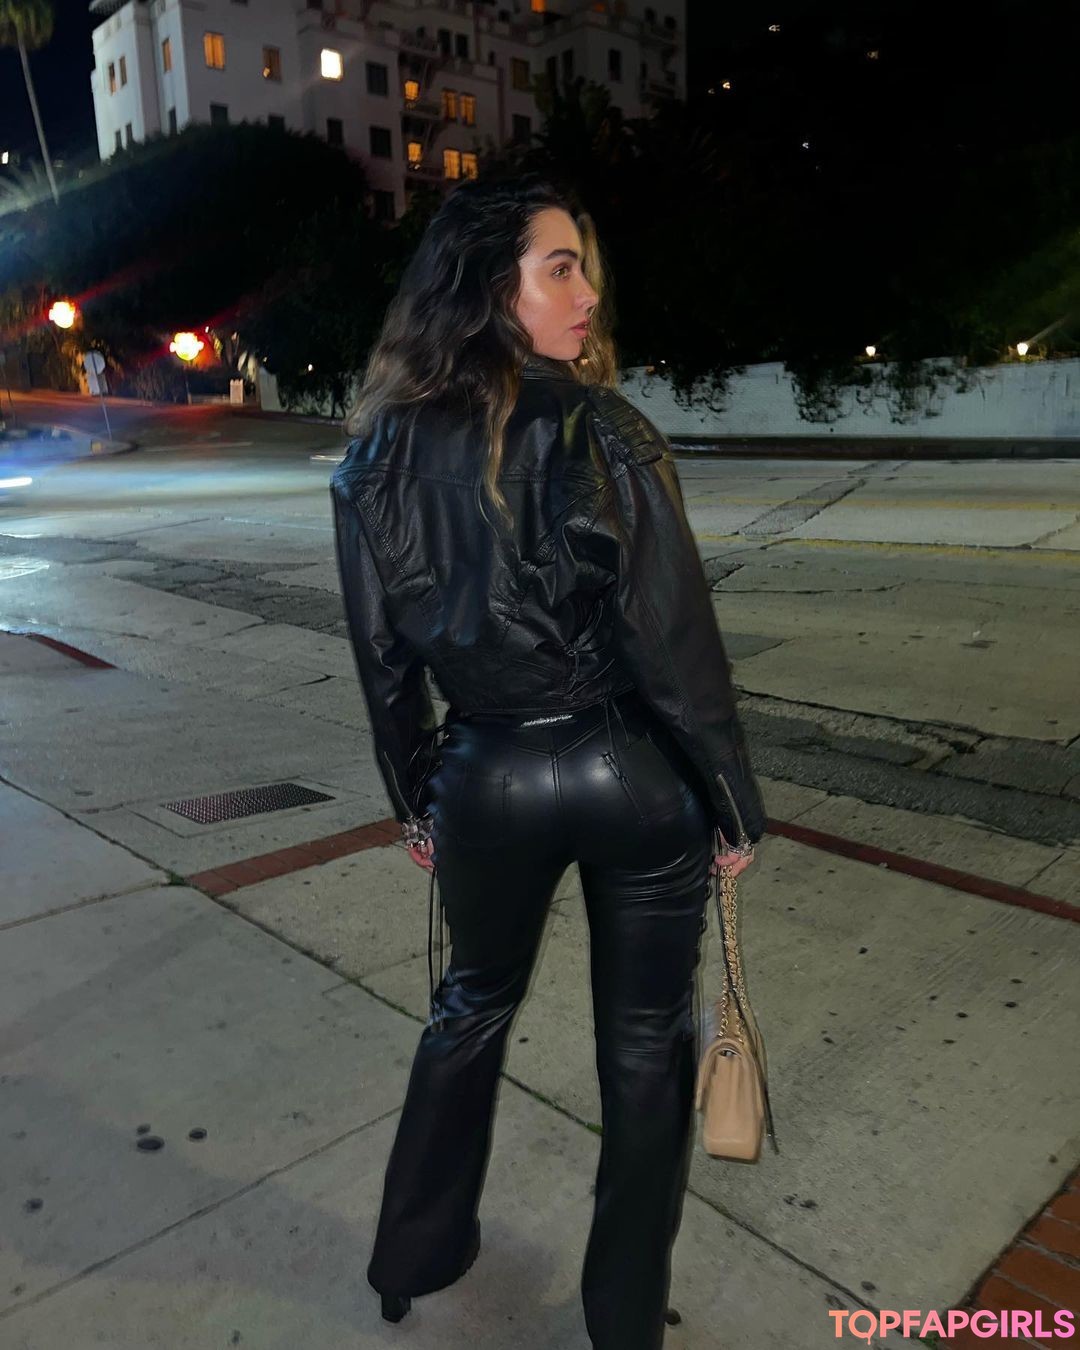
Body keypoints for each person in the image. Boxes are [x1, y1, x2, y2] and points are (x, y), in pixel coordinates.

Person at [330, 173, 767, 1350]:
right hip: (629, 771)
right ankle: (623, 1318)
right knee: (644, 1047)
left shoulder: (372, 458)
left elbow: (383, 664)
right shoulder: (603, 430)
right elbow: (673, 644)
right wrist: (731, 803)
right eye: (559, 268)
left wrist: (417, 796)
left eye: (586, 270)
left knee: (468, 1008)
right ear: (489, 286)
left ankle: (410, 1259)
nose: (587, 295)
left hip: (487, 774)